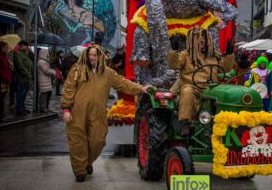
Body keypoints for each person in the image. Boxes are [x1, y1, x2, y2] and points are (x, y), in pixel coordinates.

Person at [61, 44, 154, 182]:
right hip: (77, 112)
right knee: (77, 143)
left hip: (98, 113)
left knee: (98, 141)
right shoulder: (77, 69)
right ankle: (80, 171)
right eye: (89, 55)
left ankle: (87, 162)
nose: (91, 57)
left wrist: (141, 89)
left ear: (99, 56)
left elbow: (123, 83)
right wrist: (66, 109)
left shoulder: (107, 73)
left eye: (94, 55)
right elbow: (68, 89)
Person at [167, 27, 234, 135]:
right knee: (187, 91)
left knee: (226, 94)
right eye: (198, 38)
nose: (201, 41)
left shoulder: (214, 55)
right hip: (192, 87)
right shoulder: (185, 55)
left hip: (212, 88)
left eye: (203, 38)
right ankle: (185, 123)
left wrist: (229, 55)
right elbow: (174, 64)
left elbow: (226, 68)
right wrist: (174, 52)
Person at [13, 40, 33, 116]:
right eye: (26, 46)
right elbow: (20, 66)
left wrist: (30, 52)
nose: (28, 47)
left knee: (24, 94)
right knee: (21, 94)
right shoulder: (18, 54)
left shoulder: (25, 53)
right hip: (22, 78)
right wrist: (27, 74)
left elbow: (31, 61)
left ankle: (22, 108)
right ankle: (19, 109)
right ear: (23, 46)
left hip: (26, 78)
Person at [37, 49, 56, 113]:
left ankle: (45, 107)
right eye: (47, 54)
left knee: (46, 94)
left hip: (46, 80)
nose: (48, 55)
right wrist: (53, 72)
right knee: (44, 94)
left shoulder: (44, 61)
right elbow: (46, 71)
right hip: (43, 80)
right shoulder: (41, 62)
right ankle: (43, 108)